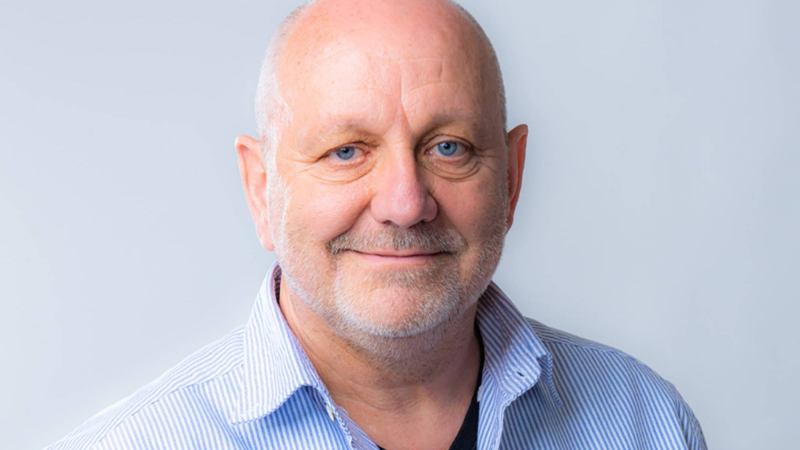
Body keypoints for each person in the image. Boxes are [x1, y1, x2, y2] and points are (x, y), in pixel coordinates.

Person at [48, 0, 706, 449]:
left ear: (511, 176)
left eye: (447, 147)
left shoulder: (645, 422)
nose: (405, 202)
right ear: (261, 187)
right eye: (346, 151)